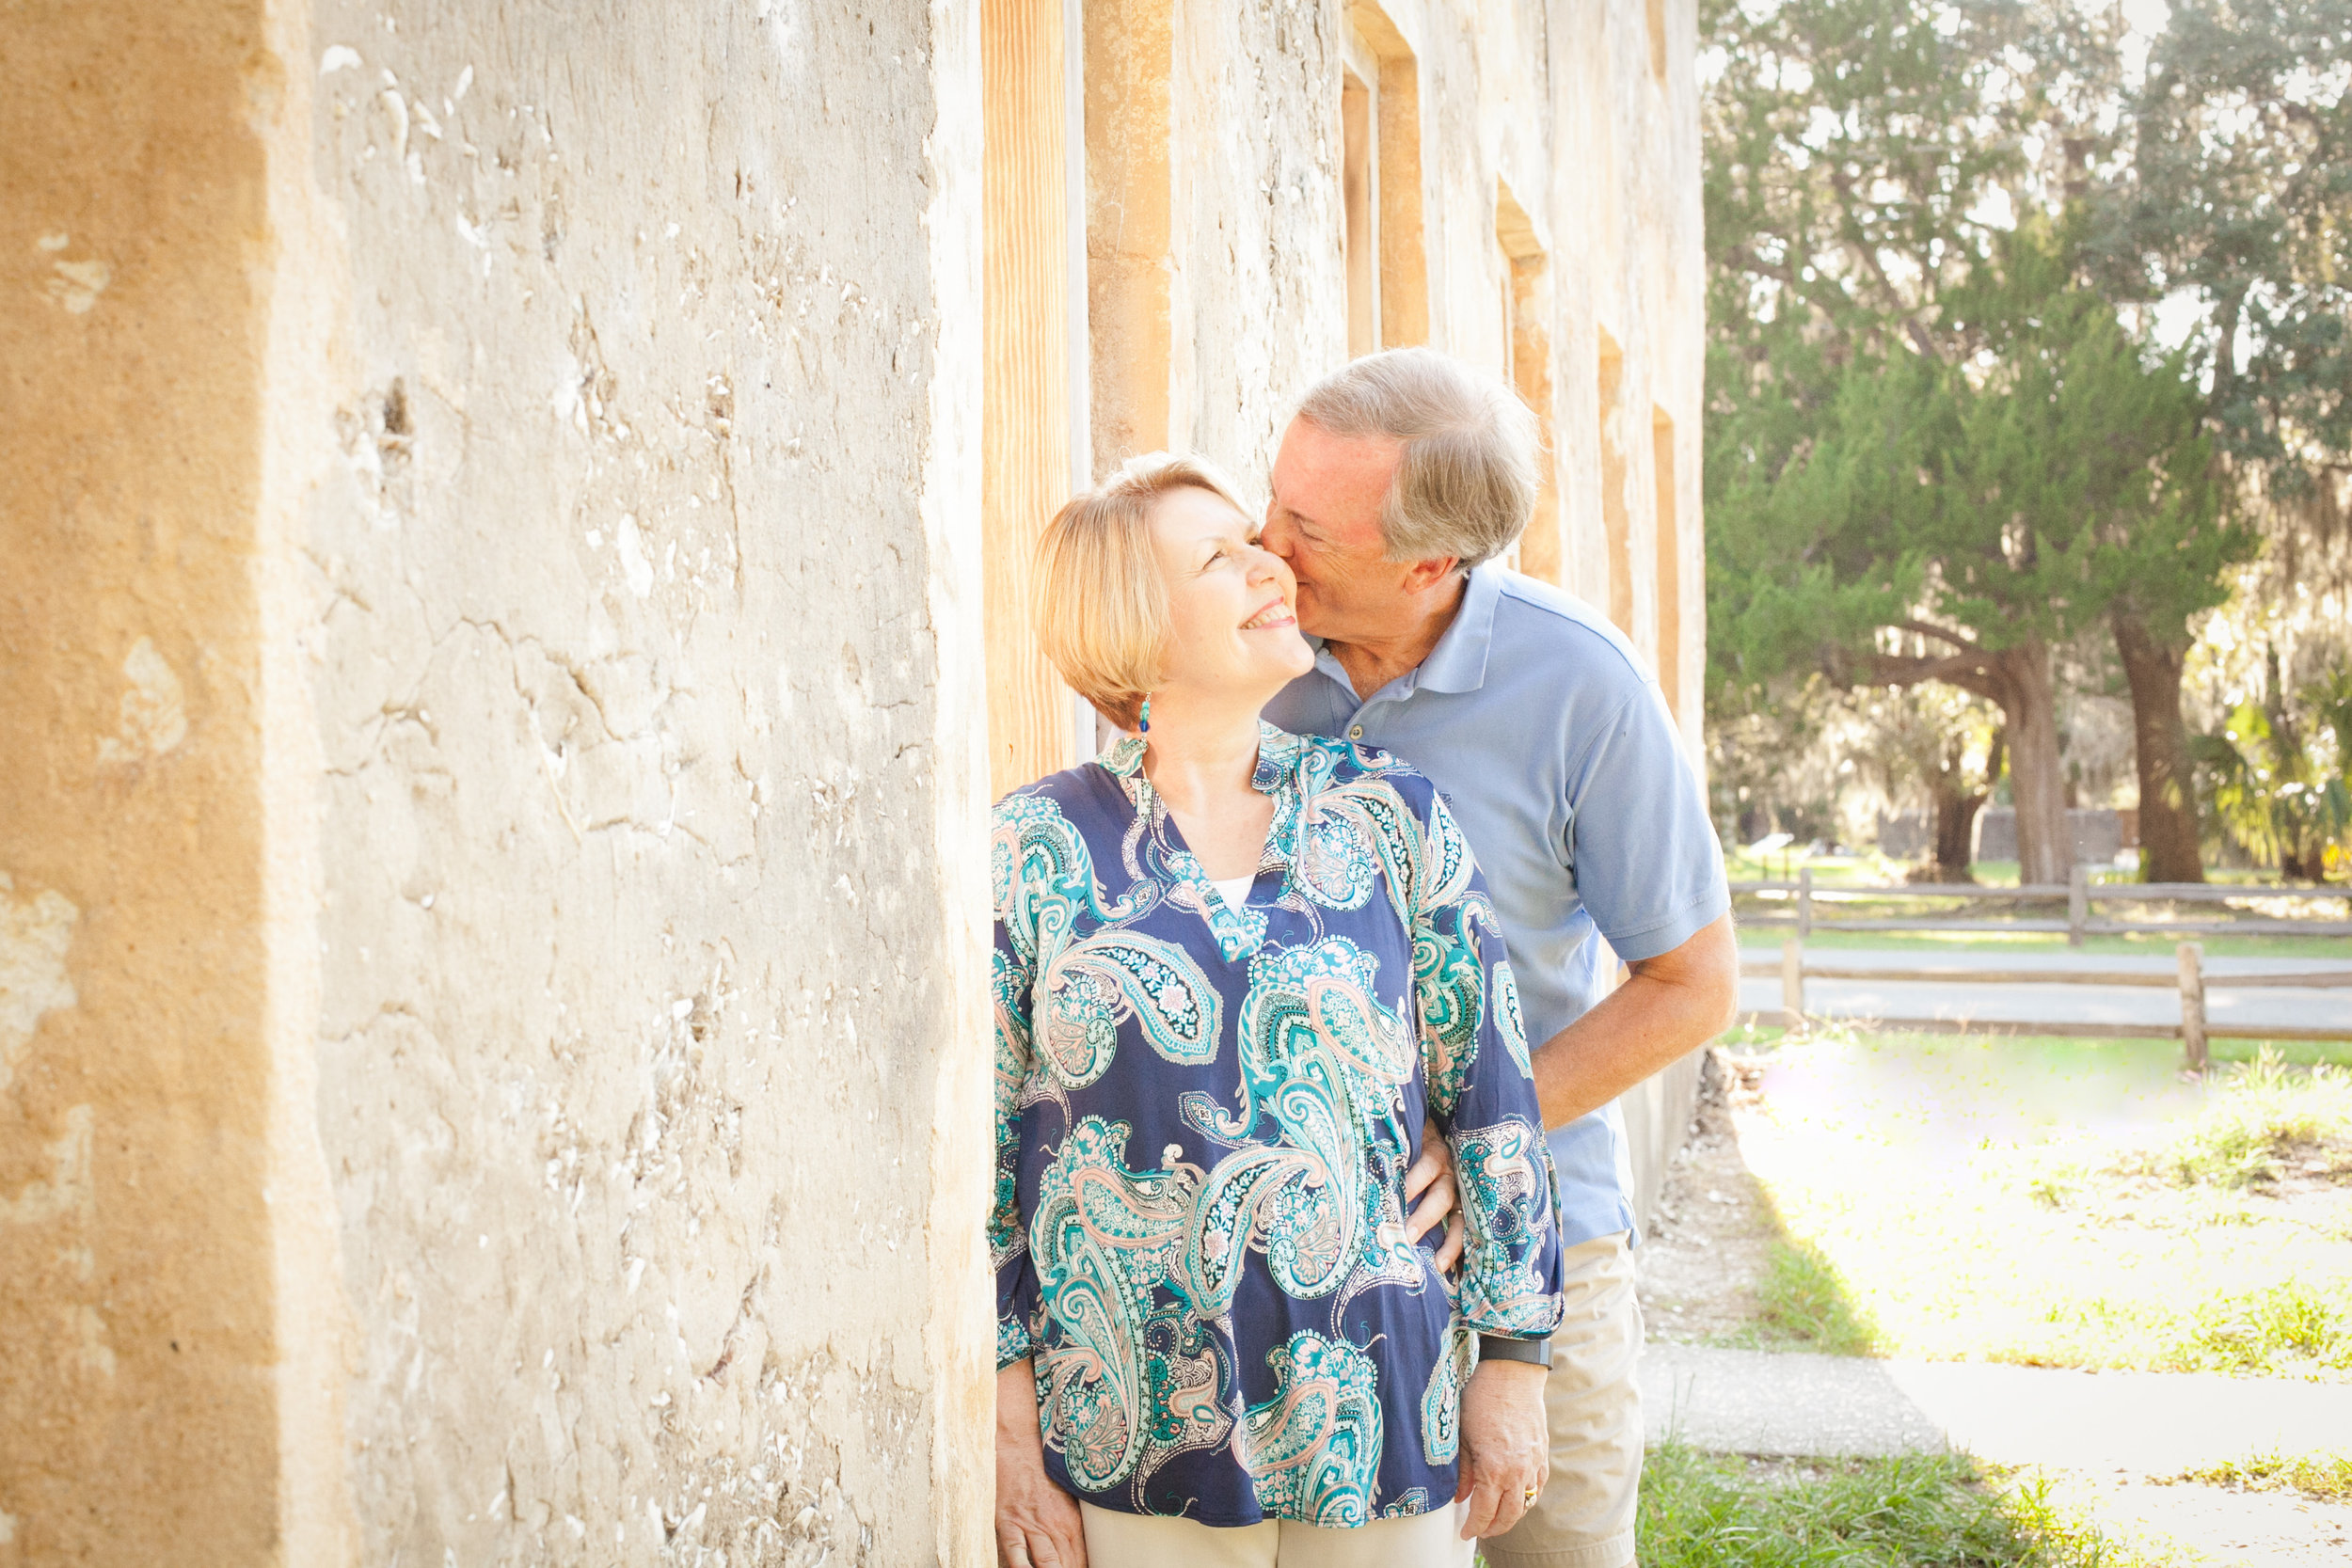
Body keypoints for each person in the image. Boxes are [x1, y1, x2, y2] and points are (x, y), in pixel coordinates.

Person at [992, 452, 1568, 1568]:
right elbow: (983, 1156)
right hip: (1130, 1426)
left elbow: (1494, 1100)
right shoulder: (1036, 846)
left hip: (1384, 1405)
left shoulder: (1391, 815)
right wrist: (1009, 1427)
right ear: (1132, 621)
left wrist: (1513, 1362)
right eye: (1221, 557)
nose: (1272, 565)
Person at [1260, 348, 1740, 1568]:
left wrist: (1479, 1142)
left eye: (1306, 528)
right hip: (1292, 1250)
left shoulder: (1585, 685)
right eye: (1273, 500)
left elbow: (1693, 982)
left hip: (1542, 1239)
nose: (1264, 544)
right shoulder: (1246, 654)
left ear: (1429, 565)